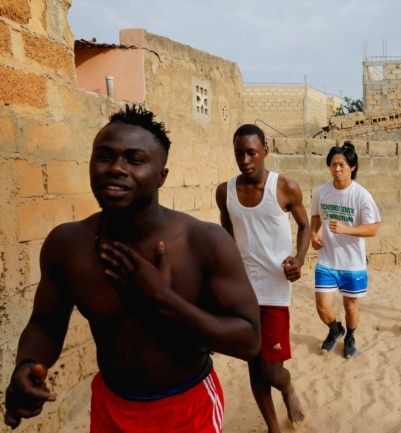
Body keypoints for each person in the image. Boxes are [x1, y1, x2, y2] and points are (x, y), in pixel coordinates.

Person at [3, 105, 261, 432]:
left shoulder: (204, 242)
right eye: (105, 156)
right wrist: (26, 365)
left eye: (135, 160)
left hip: (187, 407)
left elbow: (249, 341)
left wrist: (163, 301)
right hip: (112, 406)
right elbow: (45, 324)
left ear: (161, 176)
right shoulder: (67, 246)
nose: (116, 168)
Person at [216, 124, 309, 433]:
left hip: (275, 290)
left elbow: (305, 227)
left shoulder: (285, 188)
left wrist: (298, 259)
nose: (245, 160)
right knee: (254, 366)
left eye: (251, 153)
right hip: (243, 292)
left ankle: (288, 388)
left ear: (265, 152)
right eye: (239, 153)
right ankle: (273, 428)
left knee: (272, 371)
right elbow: (227, 236)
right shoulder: (225, 192)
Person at [310, 141, 380, 359]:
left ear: (352, 167)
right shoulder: (321, 192)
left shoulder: (361, 196)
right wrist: (313, 235)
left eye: (342, 164)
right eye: (333, 164)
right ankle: (334, 329)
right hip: (327, 261)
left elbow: (373, 229)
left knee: (350, 306)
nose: (337, 169)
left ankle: (350, 336)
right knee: (322, 307)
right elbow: (314, 218)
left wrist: (346, 229)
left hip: (352, 264)